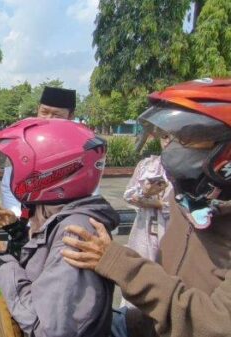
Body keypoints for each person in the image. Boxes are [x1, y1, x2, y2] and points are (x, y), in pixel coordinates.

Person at [61, 78, 231, 337]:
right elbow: (172, 285)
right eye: (168, 136)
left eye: (186, 137)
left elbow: (216, 325)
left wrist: (118, 263)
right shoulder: (190, 199)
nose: (171, 147)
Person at [0, 118, 118, 336]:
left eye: (18, 166)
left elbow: (46, 326)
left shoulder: (75, 234)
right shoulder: (59, 215)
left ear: (49, 171)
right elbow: (41, 266)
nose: (13, 173)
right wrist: (17, 231)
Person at [0, 86, 76, 217]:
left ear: (70, 116)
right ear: (37, 110)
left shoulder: (79, 147)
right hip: (24, 221)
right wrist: (19, 219)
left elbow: (90, 192)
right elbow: (8, 186)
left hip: (64, 223)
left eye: (57, 115)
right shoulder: (20, 145)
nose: (48, 118)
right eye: (44, 112)